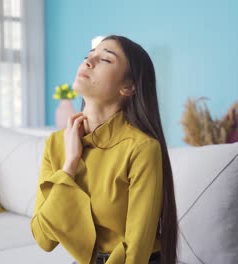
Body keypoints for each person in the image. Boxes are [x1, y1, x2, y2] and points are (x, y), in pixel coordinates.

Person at [30, 35, 178, 264]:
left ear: (129, 86)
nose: (88, 62)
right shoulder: (57, 144)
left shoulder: (142, 148)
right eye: (88, 56)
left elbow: (136, 252)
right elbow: (43, 238)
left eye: (106, 60)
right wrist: (69, 165)